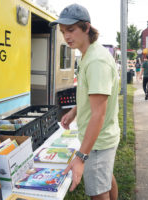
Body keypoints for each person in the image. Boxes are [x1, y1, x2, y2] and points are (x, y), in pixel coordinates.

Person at [50, 4, 120, 200]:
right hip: (99, 138)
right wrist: (74, 111)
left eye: (71, 30)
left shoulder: (96, 60)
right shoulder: (88, 54)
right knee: (105, 178)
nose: (66, 36)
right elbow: (92, 96)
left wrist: (81, 157)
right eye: (63, 32)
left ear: (86, 28)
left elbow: (99, 113)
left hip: (97, 141)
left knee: (98, 192)